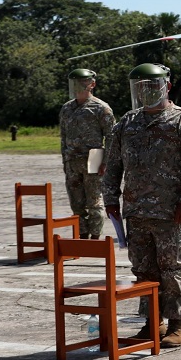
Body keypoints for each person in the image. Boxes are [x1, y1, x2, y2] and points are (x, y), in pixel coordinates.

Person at [103, 63, 181, 347]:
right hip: (136, 212)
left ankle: (177, 323)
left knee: (172, 269)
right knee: (144, 271)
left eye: (153, 86)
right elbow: (112, 164)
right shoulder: (128, 122)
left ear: (166, 86)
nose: (147, 93)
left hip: (172, 211)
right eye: (142, 88)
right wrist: (111, 198)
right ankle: (152, 322)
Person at [59, 68, 115, 240]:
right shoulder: (67, 108)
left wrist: (105, 162)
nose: (78, 87)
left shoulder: (101, 108)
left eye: (82, 84)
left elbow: (111, 136)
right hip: (72, 161)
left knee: (94, 201)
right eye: (75, 84)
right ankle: (82, 235)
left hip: (94, 158)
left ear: (92, 84)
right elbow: (63, 136)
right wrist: (65, 161)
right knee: (76, 203)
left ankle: (95, 237)